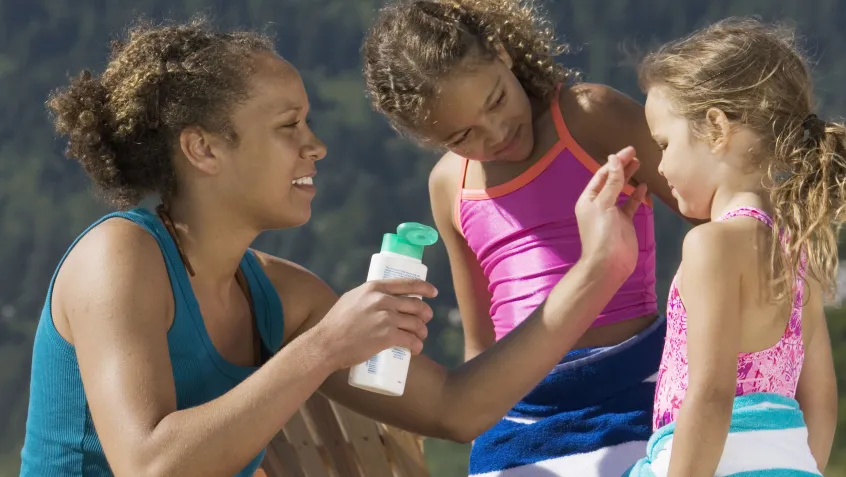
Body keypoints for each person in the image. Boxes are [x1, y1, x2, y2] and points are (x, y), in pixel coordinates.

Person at [20, 17, 649, 477]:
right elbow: (151, 465)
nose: (315, 145)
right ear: (204, 149)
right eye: (288, 125)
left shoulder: (284, 296)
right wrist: (325, 346)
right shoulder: (120, 256)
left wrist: (595, 274)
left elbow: (460, 409)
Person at [361, 0, 690, 475]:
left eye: (495, 100)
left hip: (634, 380)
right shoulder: (449, 185)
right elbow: (480, 344)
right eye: (461, 136)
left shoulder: (587, 117)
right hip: (519, 414)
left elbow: (707, 209)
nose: (494, 133)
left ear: (502, 53)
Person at [629, 17, 838, 476]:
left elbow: (711, 392)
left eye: (664, 144)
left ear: (717, 128)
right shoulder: (796, 252)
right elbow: (820, 400)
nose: (659, 165)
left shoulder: (711, 244)